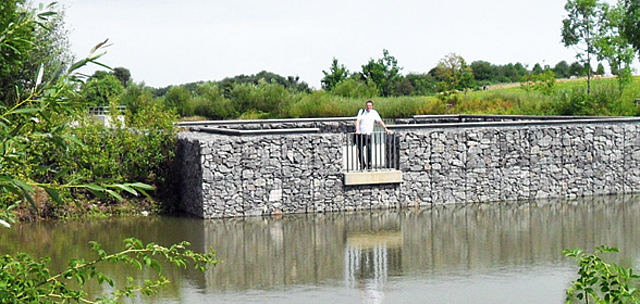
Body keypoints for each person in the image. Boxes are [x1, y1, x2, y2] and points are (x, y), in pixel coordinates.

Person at [355, 100, 392, 170]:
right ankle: (362, 164)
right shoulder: (361, 111)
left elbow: (380, 121)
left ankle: (369, 164)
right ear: (366, 106)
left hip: (369, 134)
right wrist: (357, 130)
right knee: (360, 150)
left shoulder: (374, 113)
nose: (368, 107)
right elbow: (358, 121)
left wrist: (386, 129)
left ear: (372, 106)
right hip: (361, 134)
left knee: (369, 149)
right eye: (367, 105)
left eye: (370, 106)